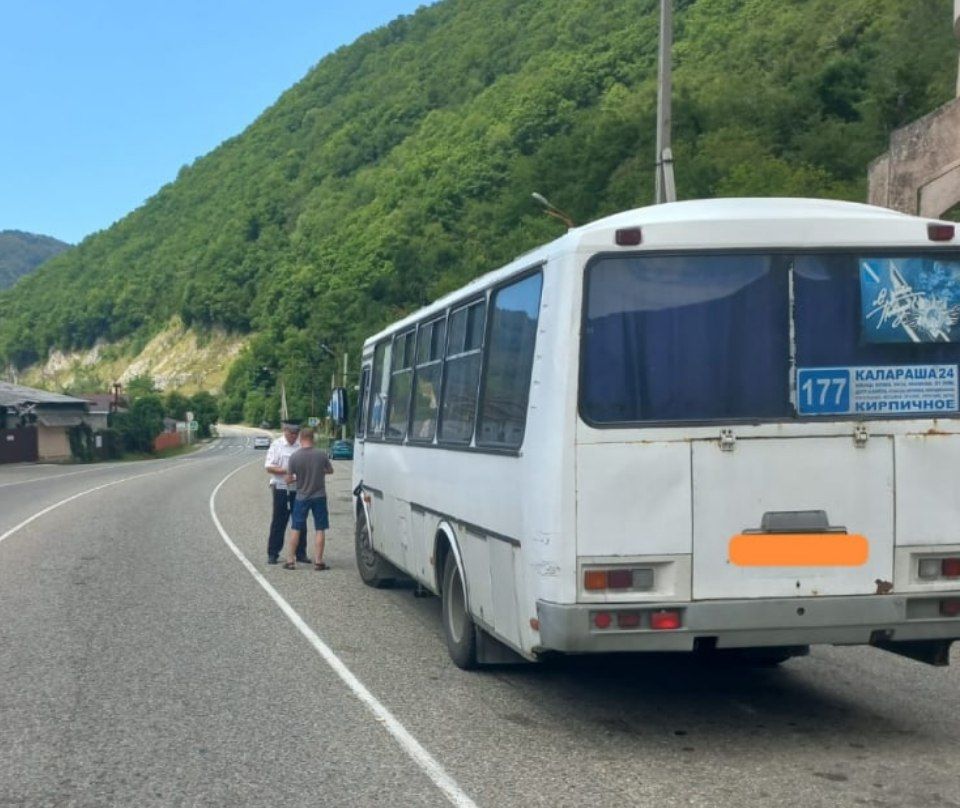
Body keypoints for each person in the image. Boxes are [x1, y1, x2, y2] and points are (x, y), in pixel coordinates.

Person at [282, 427, 334, 570]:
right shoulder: (321, 455)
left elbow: (288, 479)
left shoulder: (295, 456)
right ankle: (318, 561)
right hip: (319, 496)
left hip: (301, 496)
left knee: (296, 527)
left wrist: (295, 479)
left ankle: (290, 560)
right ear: (313, 438)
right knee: (320, 528)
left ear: (300, 438)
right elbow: (330, 470)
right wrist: (319, 472)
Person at [264, 420, 309, 565]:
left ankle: (301, 553)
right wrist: (287, 470)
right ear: (285, 431)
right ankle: (273, 553)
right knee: (279, 521)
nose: (293, 436)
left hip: (299, 487)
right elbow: (269, 467)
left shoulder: (301, 446)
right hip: (281, 487)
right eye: (291, 433)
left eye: (296, 434)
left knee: (300, 521)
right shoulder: (277, 445)